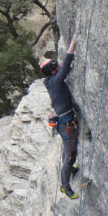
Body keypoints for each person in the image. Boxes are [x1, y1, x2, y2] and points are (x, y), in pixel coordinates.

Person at [40, 34, 80, 199]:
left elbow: (64, 68)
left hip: (62, 122)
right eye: (56, 65)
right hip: (65, 123)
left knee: (69, 151)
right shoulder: (56, 81)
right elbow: (68, 62)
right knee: (70, 156)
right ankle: (65, 186)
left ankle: (70, 169)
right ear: (54, 70)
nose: (59, 65)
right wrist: (74, 41)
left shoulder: (50, 81)